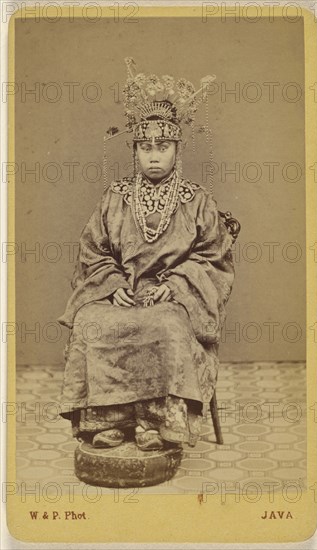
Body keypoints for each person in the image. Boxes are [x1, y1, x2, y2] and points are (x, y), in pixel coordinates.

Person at [58, 58, 235, 451]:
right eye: (145, 147)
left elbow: (212, 258)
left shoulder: (197, 201)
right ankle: (108, 420)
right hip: (123, 293)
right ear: (134, 150)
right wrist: (114, 285)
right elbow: (93, 251)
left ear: (177, 149)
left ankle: (156, 424)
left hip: (173, 298)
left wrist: (174, 285)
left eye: (163, 147)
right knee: (90, 320)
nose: (154, 156)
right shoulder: (115, 198)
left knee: (166, 326)